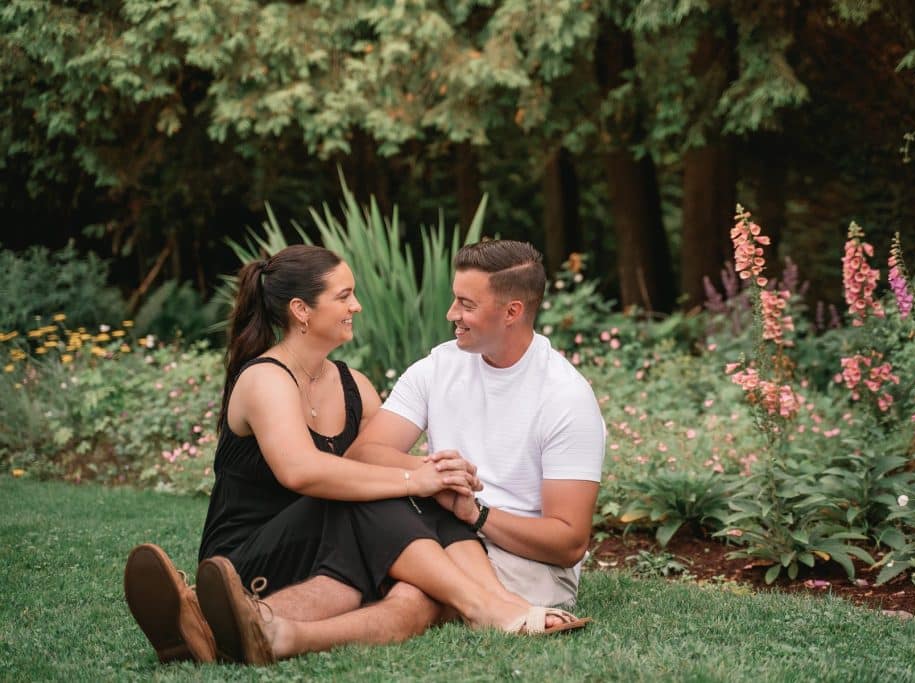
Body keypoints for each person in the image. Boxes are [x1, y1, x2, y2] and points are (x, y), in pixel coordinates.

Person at [123, 245, 590, 667]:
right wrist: (422, 479)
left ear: (512, 311)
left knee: (421, 523)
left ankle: (241, 628)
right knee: (401, 498)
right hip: (249, 554)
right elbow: (304, 472)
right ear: (301, 311)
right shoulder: (267, 379)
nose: (357, 305)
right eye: (344, 295)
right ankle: (487, 605)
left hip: (331, 547)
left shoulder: (355, 385)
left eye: (465, 304)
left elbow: (377, 462)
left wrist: (440, 481)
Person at [348, 240, 605, 609]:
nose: (451, 313)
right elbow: (362, 455)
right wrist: (436, 475)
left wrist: (475, 512)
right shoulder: (438, 367)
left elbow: (568, 543)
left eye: (467, 305)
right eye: (456, 299)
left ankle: (283, 635)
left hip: (527, 560)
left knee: (410, 597)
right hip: (444, 531)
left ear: (512, 311)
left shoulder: (566, 396)